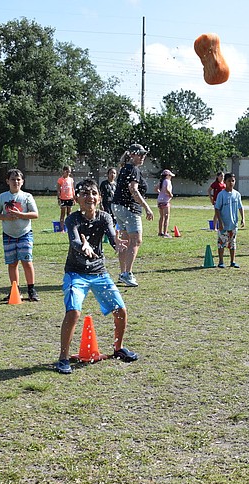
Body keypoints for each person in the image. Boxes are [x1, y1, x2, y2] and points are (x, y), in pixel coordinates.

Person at [55, 179, 137, 374]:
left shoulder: (104, 217)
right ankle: (63, 358)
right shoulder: (72, 219)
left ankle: (118, 348)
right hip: (76, 273)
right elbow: (74, 239)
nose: (89, 197)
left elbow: (111, 236)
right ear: (77, 199)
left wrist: (117, 243)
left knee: (120, 310)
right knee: (73, 312)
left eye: (93, 193)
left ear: (99, 198)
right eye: (84, 193)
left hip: (99, 273)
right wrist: (82, 246)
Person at [0, 168, 40, 301]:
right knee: (12, 263)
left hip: (25, 233)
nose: (16, 182)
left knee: (27, 261)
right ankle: (15, 290)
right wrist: (6, 217)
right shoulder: (3, 197)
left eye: (18, 179)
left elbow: (35, 214)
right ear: (7, 181)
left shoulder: (27, 197)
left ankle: (31, 290)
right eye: (13, 179)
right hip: (8, 235)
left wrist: (20, 215)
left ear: (22, 181)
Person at [110, 143, 153, 287]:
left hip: (118, 207)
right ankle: (127, 274)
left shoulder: (125, 168)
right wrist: (147, 207)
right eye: (139, 154)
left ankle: (123, 273)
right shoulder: (133, 169)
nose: (142, 157)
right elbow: (133, 190)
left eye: (144, 154)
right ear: (132, 155)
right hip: (129, 208)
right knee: (136, 240)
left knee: (125, 241)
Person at [213, 172, 246, 268]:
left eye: (233, 181)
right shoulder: (221, 194)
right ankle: (221, 261)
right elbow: (217, 208)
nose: (231, 183)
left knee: (232, 243)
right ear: (225, 182)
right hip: (224, 224)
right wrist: (220, 222)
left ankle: (232, 261)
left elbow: (240, 207)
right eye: (229, 181)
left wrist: (243, 218)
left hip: (233, 224)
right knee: (222, 243)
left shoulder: (237, 194)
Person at [156, 169, 175, 237]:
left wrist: (160, 193)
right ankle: (165, 233)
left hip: (159, 201)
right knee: (166, 217)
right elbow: (167, 189)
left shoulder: (161, 181)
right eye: (170, 175)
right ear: (167, 176)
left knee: (161, 217)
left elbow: (155, 189)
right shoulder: (167, 181)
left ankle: (160, 232)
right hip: (165, 201)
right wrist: (170, 194)